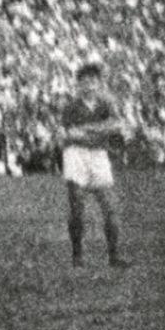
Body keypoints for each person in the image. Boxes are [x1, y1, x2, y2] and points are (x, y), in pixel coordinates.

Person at [60, 63, 130, 268]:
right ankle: (77, 256)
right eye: (85, 81)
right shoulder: (71, 107)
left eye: (93, 81)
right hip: (76, 154)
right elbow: (70, 134)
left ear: (99, 83)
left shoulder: (106, 103)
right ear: (78, 84)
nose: (89, 85)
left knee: (110, 207)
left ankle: (114, 256)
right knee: (77, 207)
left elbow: (117, 125)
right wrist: (102, 129)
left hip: (98, 154)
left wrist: (88, 129)